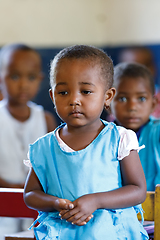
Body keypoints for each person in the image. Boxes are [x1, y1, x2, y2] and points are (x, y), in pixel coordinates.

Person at [23, 45, 148, 240]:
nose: (74, 100)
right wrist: (55, 203)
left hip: (112, 232)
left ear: (107, 97)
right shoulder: (43, 147)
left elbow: (138, 190)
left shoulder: (119, 139)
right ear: (52, 97)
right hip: (62, 232)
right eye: (63, 93)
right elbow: (30, 194)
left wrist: (96, 200)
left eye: (86, 91)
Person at [0, 43, 57, 238]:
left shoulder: (46, 119)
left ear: (40, 80)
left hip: (37, 210)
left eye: (31, 77)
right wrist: (20, 190)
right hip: (3, 210)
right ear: (1, 77)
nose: (23, 84)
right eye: (15, 76)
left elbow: (52, 166)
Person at [111, 62, 160, 191]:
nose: (132, 107)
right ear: (108, 103)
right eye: (122, 99)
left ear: (153, 104)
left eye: (141, 99)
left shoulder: (157, 132)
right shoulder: (102, 137)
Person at [118, 46, 160, 118]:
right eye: (129, 70)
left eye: (141, 68)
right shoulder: (117, 99)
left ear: (152, 69)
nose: (135, 74)